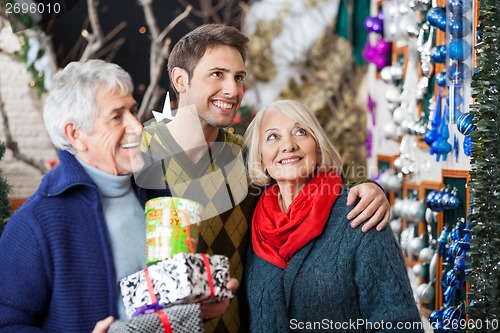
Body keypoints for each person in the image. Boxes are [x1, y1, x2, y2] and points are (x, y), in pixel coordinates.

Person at [139, 24, 392, 333]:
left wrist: (371, 188)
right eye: (217, 74)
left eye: (238, 77)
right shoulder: (139, 153)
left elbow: (306, 179)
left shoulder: (242, 159)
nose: (232, 90)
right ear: (181, 80)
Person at [0, 59, 235, 333]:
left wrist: (198, 305)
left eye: (133, 111)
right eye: (116, 116)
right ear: (75, 134)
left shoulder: (157, 192)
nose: (137, 126)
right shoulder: (37, 223)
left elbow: (162, 299)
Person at [243, 100, 423, 333]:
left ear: (318, 149)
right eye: (272, 137)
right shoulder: (250, 219)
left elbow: (398, 324)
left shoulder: (360, 214)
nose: (288, 145)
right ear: (260, 159)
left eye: (300, 132)